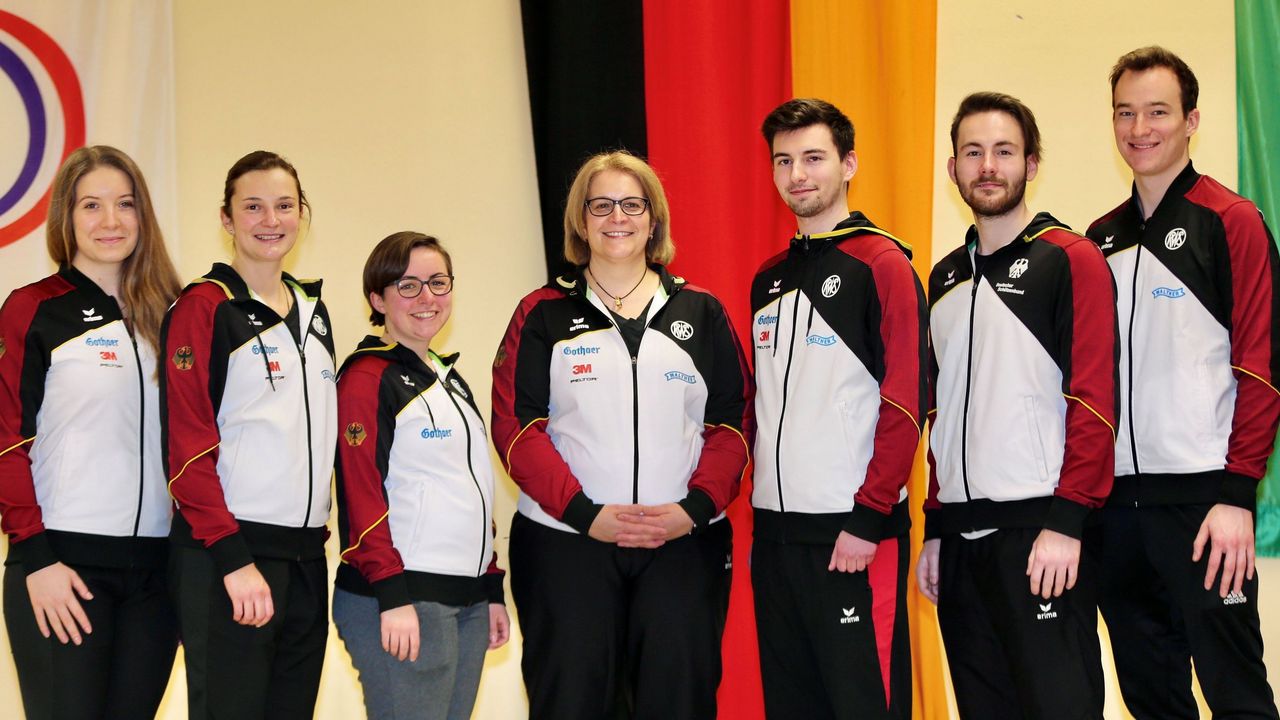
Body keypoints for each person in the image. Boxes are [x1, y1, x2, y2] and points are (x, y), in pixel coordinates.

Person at [491, 150, 752, 720]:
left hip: (683, 543)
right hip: (566, 543)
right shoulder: (542, 313)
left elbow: (734, 425)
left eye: (632, 204)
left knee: (678, 700)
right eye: (601, 205)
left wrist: (695, 507)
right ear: (581, 222)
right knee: (571, 701)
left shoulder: (702, 312)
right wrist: (586, 513)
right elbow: (517, 426)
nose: (617, 217)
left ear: (653, 218)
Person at [1086, 46, 1280, 719]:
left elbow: (1263, 364)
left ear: (1191, 119)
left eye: (1158, 112)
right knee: (1151, 698)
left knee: (1237, 695)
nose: (1140, 128)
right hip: (1116, 512)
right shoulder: (1099, 241)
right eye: (1126, 113)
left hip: (1204, 505)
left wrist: (1236, 493)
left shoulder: (1231, 221)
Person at [918, 91, 1117, 719]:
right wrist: (936, 528)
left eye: (1004, 151)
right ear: (952, 168)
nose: (987, 166)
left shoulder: (1069, 258)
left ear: (1031, 163)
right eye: (972, 152)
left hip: (1041, 537)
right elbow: (941, 413)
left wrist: (1066, 521)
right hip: (962, 543)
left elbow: (1095, 399)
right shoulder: (945, 278)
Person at [749, 98, 922, 720]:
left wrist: (870, 516)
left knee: (864, 705)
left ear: (848, 164)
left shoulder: (882, 264)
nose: (798, 174)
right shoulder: (767, 278)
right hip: (774, 536)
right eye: (785, 160)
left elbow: (905, 403)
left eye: (814, 158)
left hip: (852, 533)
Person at [0, 145, 181, 719]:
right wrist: (35, 558)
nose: (110, 221)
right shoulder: (33, 309)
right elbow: (6, 440)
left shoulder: (171, 315)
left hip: (156, 577)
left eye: (125, 205)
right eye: (91, 206)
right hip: (62, 568)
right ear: (66, 218)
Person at [160, 150, 338, 719]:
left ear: (301, 214)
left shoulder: (313, 310)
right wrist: (233, 560)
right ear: (227, 218)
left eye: (284, 206)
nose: (270, 220)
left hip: (306, 556)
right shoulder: (204, 307)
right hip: (230, 553)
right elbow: (187, 449)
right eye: (253, 206)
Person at [333, 231, 511, 720]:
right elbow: (360, 491)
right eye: (408, 286)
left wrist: (491, 588)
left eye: (438, 282)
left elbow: (472, 491)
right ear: (377, 298)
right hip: (404, 599)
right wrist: (391, 596)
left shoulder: (448, 379)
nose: (427, 297)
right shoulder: (368, 377)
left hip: (467, 599)